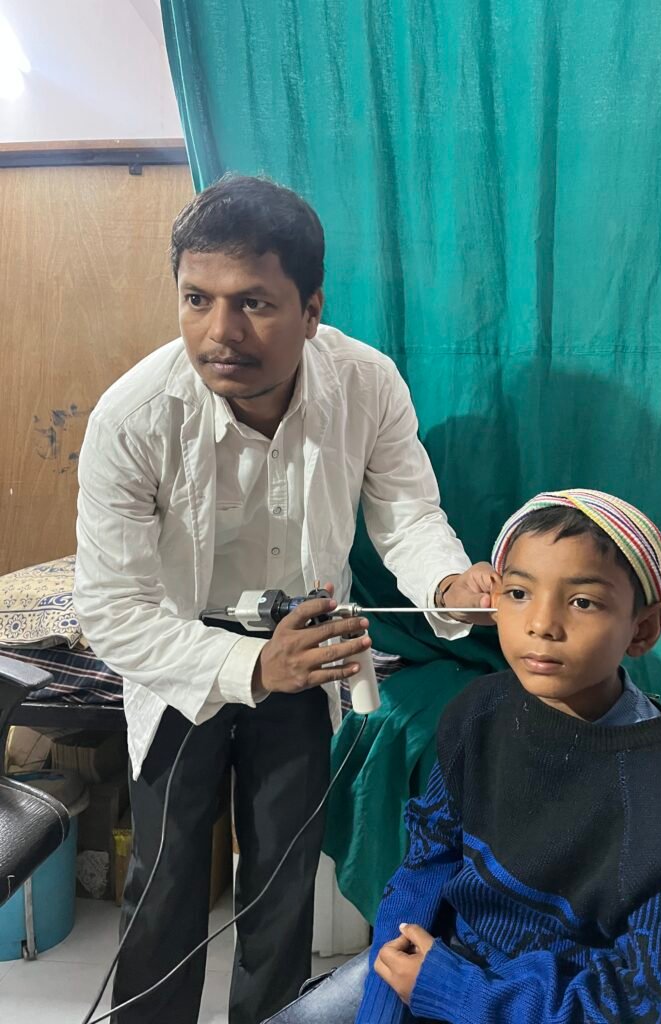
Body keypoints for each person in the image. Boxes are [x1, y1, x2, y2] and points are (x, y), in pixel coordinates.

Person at [72, 174, 496, 1024]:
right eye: (197, 299)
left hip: (304, 654)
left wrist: (449, 584)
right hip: (178, 658)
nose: (220, 332)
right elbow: (113, 608)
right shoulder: (134, 416)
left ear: (311, 309)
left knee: (281, 884)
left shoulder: (366, 384)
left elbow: (408, 515)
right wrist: (252, 664)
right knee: (166, 882)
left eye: (254, 303)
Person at [267, 489, 661, 1024]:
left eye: (582, 602)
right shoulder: (478, 714)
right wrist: (385, 1004)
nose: (542, 623)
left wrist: (458, 992)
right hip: (446, 963)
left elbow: (652, 1005)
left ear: (644, 627)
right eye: (518, 593)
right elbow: (426, 865)